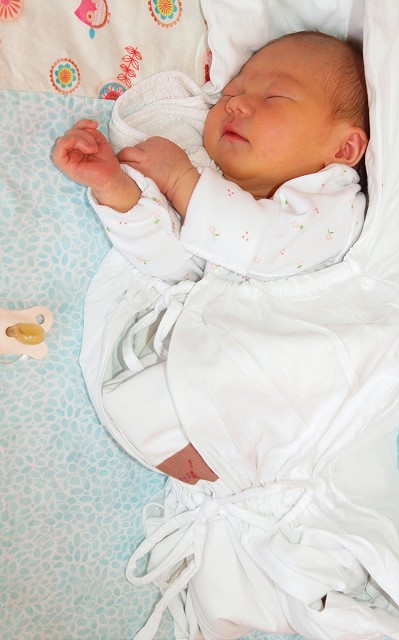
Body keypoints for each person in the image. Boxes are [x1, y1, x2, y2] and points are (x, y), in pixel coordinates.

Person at [51, 30, 369, 481]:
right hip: (225, 361)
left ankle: (244, 467)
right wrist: (114, 187)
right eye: (232, 92)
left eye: (274, 97)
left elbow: (262, 245)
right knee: (130, 399)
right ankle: (223, 475)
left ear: (343, 149)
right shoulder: (215, 191)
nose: (236, 104)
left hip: (294, 372)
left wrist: (181, 180)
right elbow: (170, 265)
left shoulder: (334, 202)